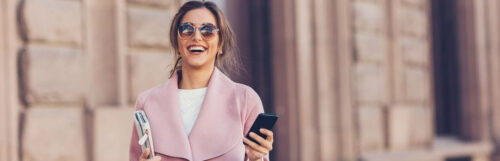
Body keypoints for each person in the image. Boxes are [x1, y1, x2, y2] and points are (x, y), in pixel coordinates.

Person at [129, 1, 274, 161]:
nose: (196, 37)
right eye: (186, 29)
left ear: (221, 44)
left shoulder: (245, 100)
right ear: (177, 42)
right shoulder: (148, 102)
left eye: (208, 30)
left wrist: (256, 158)